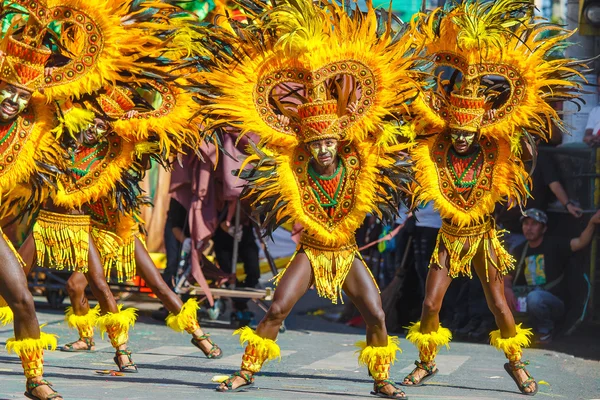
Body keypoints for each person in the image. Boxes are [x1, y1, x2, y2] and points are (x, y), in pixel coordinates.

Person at [187, 0, 427, 397]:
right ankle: (246, 371)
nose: (324, 150)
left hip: (346, 250)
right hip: (312, 250)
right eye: (316, 144)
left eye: (330, 141)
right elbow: (263, 147)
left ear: (340, 140)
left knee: (377, 312)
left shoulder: (357, 161)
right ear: (307, 145)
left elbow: (382, 126)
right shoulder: (292, 166)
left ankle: (381, 378)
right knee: (278, 308)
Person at [400, 1, 586, 396]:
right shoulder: (436, 149)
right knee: (431, 305)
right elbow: (415, 119)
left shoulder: (496, 151)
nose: (463, 137)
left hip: (484, 238)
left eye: (470, 132)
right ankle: (426, 362)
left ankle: (517, 365)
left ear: (479, 131)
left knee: (501, 308)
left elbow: (525, 122)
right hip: (449, 237)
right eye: (458, 131)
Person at [504, 208, 600, 343]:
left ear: (543, 229)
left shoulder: (554, 244)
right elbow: (507, 278)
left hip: (554, 304)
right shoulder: (519, 250)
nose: (529, 228)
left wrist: (592, 223)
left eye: (534, 224)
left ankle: (545, 331)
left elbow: (580, 242)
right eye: (526, 224)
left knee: (535, 297)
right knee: (500, 295)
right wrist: (507, 290)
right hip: (528, 301)